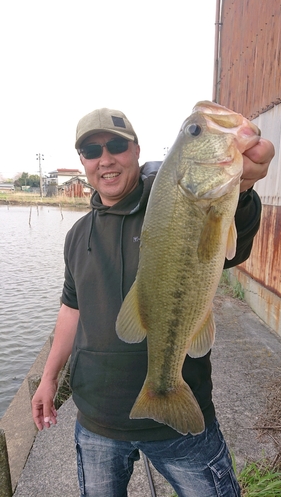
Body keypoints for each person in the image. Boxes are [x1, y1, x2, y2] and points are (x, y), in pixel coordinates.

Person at [32, 107, 274, 497]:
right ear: (83, 162)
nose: (105, 158)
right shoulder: (77, 235)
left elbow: (231, 239)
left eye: (116, 145)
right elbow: (70, 309)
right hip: (96, 422)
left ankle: (165, 388)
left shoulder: (171, 199)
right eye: (92, 151)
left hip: (179, 424)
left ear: (136, 150)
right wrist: (47, 379)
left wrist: (241, 190)